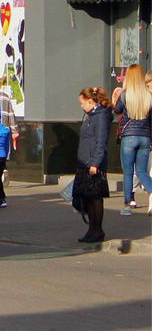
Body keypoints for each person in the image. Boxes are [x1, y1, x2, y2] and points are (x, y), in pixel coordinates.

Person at [111, 63, 151, 217]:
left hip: (128, 137)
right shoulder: (148, 95)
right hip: (145, 137)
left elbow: (117, 111)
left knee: (128, 173)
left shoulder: (125, 94)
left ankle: (127, 205)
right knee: (141, 171)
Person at [72, 87, 112, 243]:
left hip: (93, 164)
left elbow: (101, 142)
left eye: (83, 103)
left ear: (91, 101)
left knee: (95, 198)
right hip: (85, 162)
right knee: (87, 198)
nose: (81, 106)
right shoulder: (91, 116)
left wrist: (95, 162)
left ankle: (97, 230)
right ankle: (91, 229)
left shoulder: (100, 117)